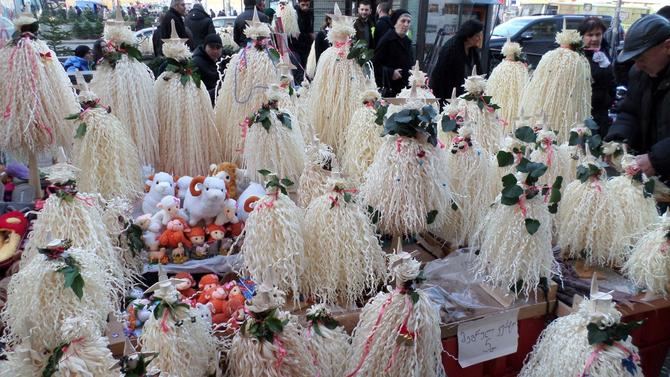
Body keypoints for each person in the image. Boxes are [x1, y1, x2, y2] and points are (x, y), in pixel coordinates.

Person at [604, 15, 670, 188]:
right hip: (654, 179)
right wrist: (618, 139)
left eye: (641, 58)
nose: (638, 65)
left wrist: (657, 159)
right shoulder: (639, 73)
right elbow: (630, 111)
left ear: (668, 47)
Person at [429, 19, 483, 104]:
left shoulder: (473, 50)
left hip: (466, 96)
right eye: (477, 35)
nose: (479, 38)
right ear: (468, 36)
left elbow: (478, 72)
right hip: (449, 96)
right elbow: (440, 77)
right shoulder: (451, 49)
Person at [579, 17, 615, 137]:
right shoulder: (577, 57)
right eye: (590, 35)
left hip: (602, 111)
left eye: (598, 34)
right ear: (582, 36)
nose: (594, 39)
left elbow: (611, 80)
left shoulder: (604, 52)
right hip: (583, 112)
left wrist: (610, 98)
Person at [373, 9, 414, 97]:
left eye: (408, 22)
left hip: (404, 89)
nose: (406, 24)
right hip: (390, 89)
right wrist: (391, 73)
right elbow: (375, 65)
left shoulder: (407, 41)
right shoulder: (387, 40)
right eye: (403, 21)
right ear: (395, 23)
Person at [192, 33, 225, 104]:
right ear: (205, 47)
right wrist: (217, 91)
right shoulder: (196, 63)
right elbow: (195, 93)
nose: (215, 51)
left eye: (218, 47)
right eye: (212, 47)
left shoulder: (222, 60)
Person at [291, 0, 313, 81]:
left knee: (306, 64)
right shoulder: (294, 12)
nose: (305, 7)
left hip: (306, 42)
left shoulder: (310, 13)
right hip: (296, 43)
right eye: (303, 5)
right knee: (298, 65)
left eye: (307, 5)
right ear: (298, 3)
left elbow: (310, 28)